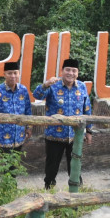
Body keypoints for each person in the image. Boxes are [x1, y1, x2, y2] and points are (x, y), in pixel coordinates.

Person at [33, 58, 93, 189]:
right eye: (68, 70)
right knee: (52, 164)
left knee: (75, 163)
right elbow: (37, 95)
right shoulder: (53, 85)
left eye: (74, 71)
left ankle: (77, 189)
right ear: (62, 71)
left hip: (75, 135)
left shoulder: (82, 86)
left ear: (77, 73)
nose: (70, 73)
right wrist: (46, 84)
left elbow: (87, 108)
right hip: (54, 134)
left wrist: (89, 131)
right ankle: (49, 187)